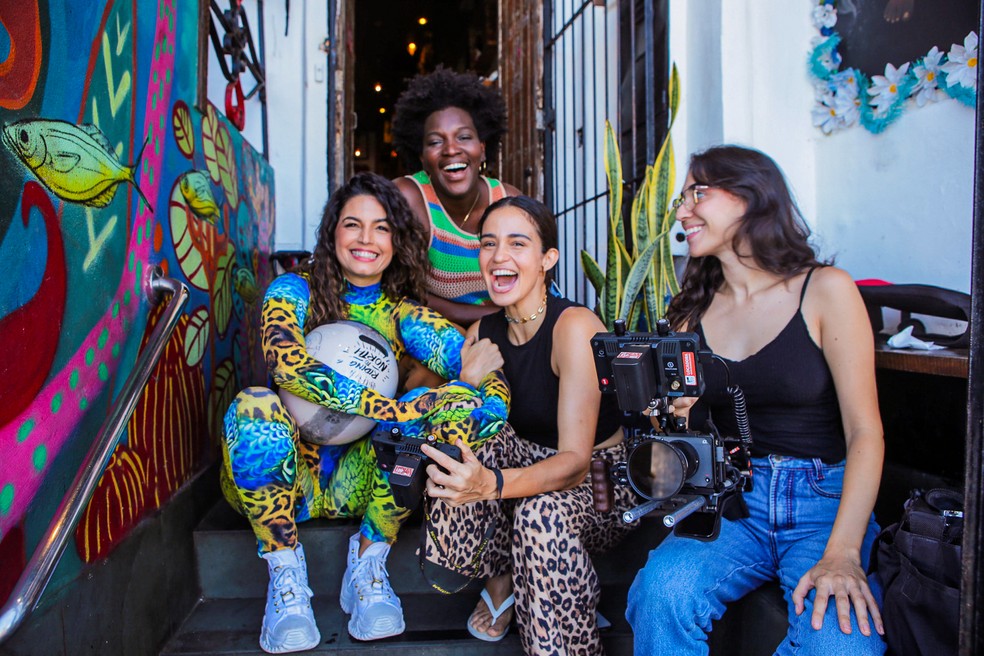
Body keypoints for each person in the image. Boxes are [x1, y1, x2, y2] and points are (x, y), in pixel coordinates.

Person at [220, 172, 509, 654]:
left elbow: (486, 374)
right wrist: (396, 405)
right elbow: (287, 365)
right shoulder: (293, 290)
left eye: (381, 228)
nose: (366, 239)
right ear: (332, 232)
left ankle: (369, 562)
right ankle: (286, 579)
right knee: (254, 405)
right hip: (281, 481)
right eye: (353, 224)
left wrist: (461, 401)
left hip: (363, 483)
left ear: (396, 240)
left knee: (437, 406)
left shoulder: (402, 314)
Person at [626, 146, 886, 655]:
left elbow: (866, 434)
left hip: (823, 503)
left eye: (697, 193)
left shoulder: (826, 290)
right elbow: (675, 448)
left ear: (749, 198)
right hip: (732, 504)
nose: (681, 212)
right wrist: (676, 419)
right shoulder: (689, 313)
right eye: (681, 198)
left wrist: (845, 552)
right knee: (661, 595)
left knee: (840, 646)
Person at [420, 195, 641, 655]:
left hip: (600, 482)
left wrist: (490, 484)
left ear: (547, 259)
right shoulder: (483, 333)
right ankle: (503, 579)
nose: (499, 257)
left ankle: (567, 640)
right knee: (459, 437)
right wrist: (464, 380)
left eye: (517, 244)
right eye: (488, 244)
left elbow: (575, 463)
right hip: (525, 466)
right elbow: (460, 422)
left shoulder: (574, 327)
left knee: (540, 515)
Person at [392, 66, 521, 328]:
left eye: (464, 137)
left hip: (510, 335)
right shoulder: (409, 199)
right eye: (436, 141)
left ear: (482, 149)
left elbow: (532, 285)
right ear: (421, 157)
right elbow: (399, 292)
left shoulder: (509, 201)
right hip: (432, 337)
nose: (452, 149)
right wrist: (492, 318)